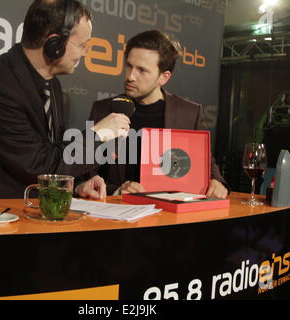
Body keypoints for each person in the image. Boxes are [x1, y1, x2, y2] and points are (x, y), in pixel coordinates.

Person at [0, 0, 130, 199]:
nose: (85, 52)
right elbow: (40, 166)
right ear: (54, 43)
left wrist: (77, 185)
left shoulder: (51, 84)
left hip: (28, 211)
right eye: (82, 45)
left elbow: (50, 152)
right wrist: (99, 134)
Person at [88, 30, 229, 198]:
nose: (130, 76)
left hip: (170, 215)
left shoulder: (189, 113)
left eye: (142, 70)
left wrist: (216, 180)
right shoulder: (103, 110)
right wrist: (117, 191)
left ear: (164, 77)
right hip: (119, 213)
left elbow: (205, 162)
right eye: (129, 66)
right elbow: (86, 170)